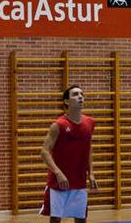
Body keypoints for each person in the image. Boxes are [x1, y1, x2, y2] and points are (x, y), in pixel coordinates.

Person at [40, 85, 98, 223]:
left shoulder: (90, 123)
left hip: (79, 181)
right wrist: (58, 173)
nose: (80, 97)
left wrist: (91, 173)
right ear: (66, 101)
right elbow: (44, 152)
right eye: (75, 94)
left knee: (81, 219)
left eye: (82, 94)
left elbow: (88, 148)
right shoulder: (58, 124)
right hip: (59, 182)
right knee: (55, 219)